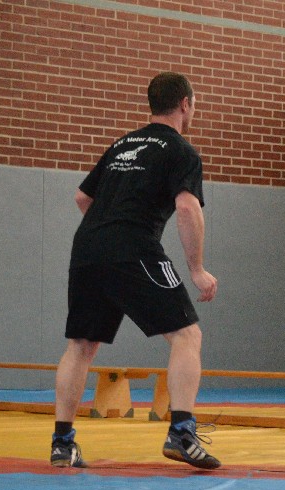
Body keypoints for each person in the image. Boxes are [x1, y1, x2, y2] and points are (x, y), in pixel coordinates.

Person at [49, 72, 220, 469]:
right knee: (186, 334)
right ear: (185, 104)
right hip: (134, 246)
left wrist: (108, 232)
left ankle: (62, 443)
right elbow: (187, 208)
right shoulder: (181, 151)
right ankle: (181, 432)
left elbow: (82, 197)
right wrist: (196, 269)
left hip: (87, 246)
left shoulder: (122, 144)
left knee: (81, 344)